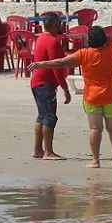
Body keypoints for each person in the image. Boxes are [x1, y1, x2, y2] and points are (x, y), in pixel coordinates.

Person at [30, 26, 112, 168]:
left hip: (92, 98)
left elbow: (60, 63)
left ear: (89, 40)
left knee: (95, 130)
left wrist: (40, 64)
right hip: (111, 96)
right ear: (104, 39)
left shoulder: (83, 54)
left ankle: (96, 161)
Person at [30, 13, 72, 160]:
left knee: (42, 116)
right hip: (45, 83)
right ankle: (48, 151)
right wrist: (65, 88)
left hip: (37, 82)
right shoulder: (52, 41)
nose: (61, 26)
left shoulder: (41, 37)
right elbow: (57, 66)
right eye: (59, 24)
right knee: (49, 117)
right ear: (55, 25)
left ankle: (38, 149)